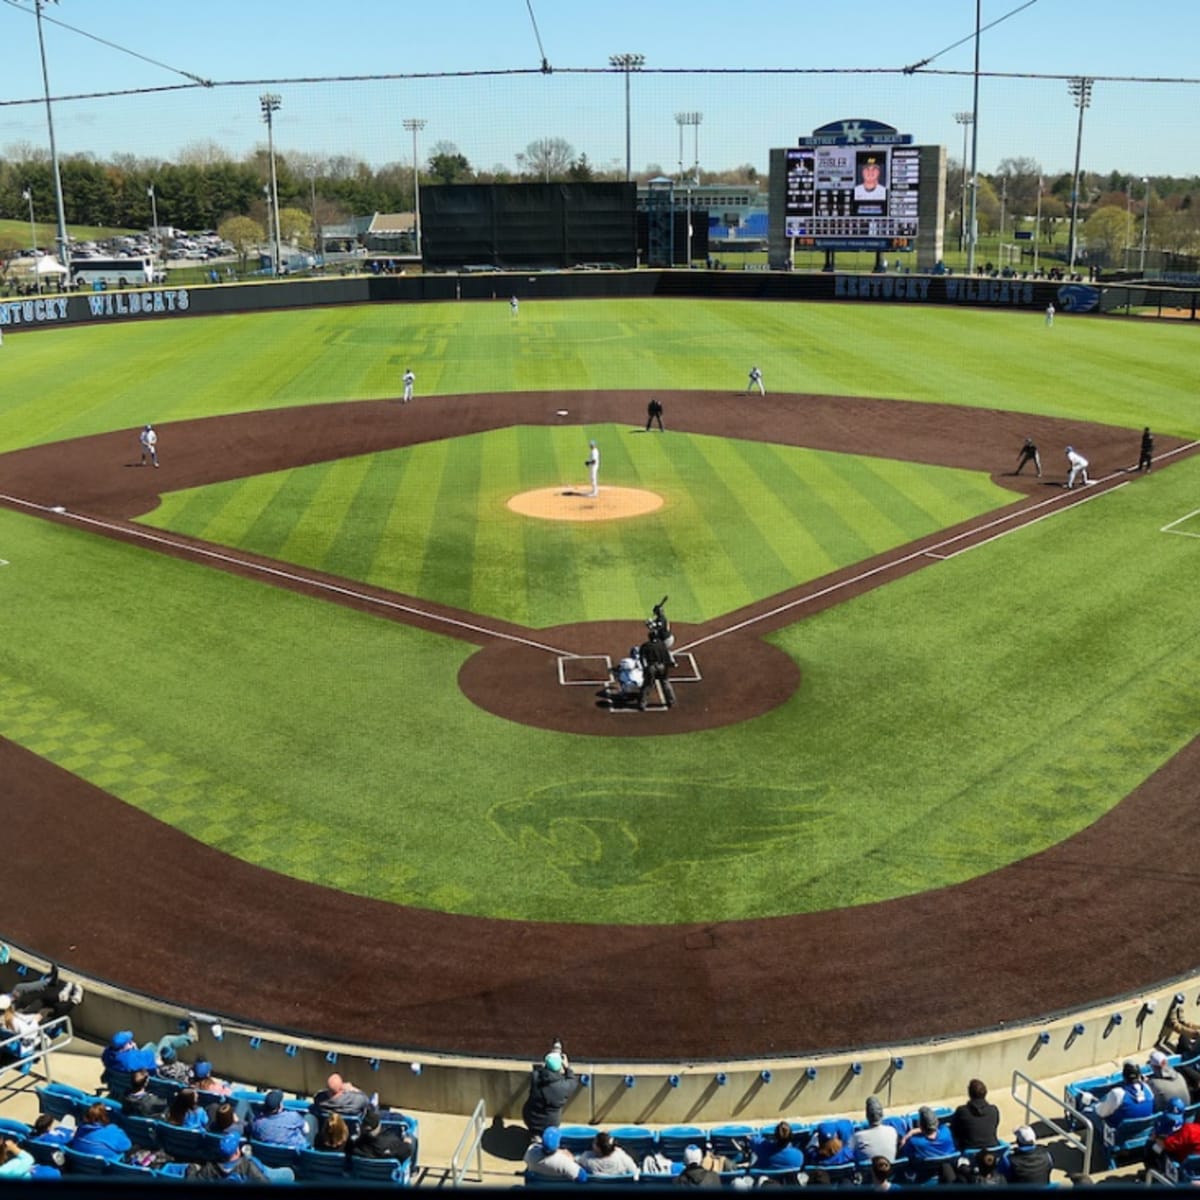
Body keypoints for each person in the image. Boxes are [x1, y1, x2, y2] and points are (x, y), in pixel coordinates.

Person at [1077, 1060, 1155, 1171]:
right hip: (1142, 1133)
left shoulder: (1118, 1093)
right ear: (1139, 1076)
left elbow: (1100, 1113)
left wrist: (1093, 1105)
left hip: (1118, 1136)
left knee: (1088, 1112)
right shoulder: (1148, 1090)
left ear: (1124, 1076)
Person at [521, 1048, 580, 1137]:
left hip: (530, 1118)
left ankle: (535, 1136)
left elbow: (539, 1071)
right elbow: (572, 1080)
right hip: (550, 1124)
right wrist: (567, 1067)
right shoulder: (564, 1086)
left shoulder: (535, 1076)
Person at [900, 1105, 958, 1175]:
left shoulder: (914, 1142)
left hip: (924, 1173)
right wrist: (914, 1131)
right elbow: (936, 1128)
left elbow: (904, 1153)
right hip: (945, 1169)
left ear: (920, 1125)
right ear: (936, 1122)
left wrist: (907, 1135)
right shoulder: (946, 1131)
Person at [68, 1102, 133, 1161]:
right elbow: (127, 1146)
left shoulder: (81, 1128)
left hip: (80, 1164)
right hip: (106, 1168)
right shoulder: (112, 1130)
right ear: (105, 1117)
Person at [350, 1105, 414, 1164]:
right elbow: (407, 1151)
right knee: (412, 1139)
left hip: (363, 1173)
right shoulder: (391, 1141)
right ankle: (413, 1170)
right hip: (386, 1174)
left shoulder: (355, 1146)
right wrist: (407, 1142)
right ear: (379, 1126)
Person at [950, 1078, 1001, 1151]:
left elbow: (954, 1131)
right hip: (993, 1150)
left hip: (969, 1151)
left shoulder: (962, 1111)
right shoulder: (994, 1110)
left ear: (969, 1093)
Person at [853, 1097, 899, 1165]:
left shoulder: (858, 1136)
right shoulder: (892, 1131)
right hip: (890, 1173)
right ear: (882, 1115)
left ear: (867, 1116)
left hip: (868, 1174)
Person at [638, 635, 676, 711]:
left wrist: (644, 668)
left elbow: (642, 658)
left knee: (648, 684)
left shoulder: (646, 645)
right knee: (665, 682)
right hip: (662, 666)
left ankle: (643, 703)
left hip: (651, 667)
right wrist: (669, 665)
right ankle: (671, 700)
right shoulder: (662, 644)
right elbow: (667, 656)